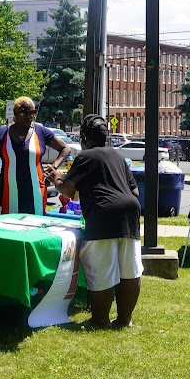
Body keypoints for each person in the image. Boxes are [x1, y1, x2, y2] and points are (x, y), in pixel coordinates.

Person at [47, 114, 143, 329]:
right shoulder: (118, 157)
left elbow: (68, 190)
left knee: (101, 269)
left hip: (103, 214)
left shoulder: (85, 156)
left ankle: (100, 320)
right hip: (130, 211)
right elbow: (134, 191)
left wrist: (56, 178)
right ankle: (124, 320)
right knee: (130, 269)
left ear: (85, 138)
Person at [0, 97, 70, 215]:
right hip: (8, 195)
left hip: (36, 195)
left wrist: (53, 167)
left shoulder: (40, 132)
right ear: (15, 113)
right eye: (25, 112)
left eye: (32, 112)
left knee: (35, 229)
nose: (30, 116)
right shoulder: (2, 134)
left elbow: (65, 148)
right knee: (8, 229)